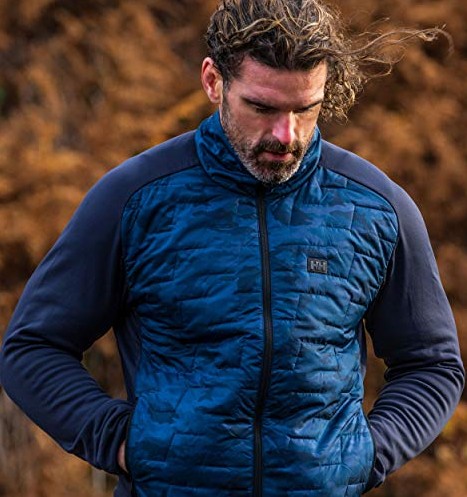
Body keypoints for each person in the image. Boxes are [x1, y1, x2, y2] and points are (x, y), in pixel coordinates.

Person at [0, 1, 464, 496]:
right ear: (213, 81)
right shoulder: (133, 199)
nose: (285, 135)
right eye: (262, 108)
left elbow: (431, 365)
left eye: (305, 109)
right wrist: (121, 442)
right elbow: (32, 348)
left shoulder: (377, 208)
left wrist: (365, 455)